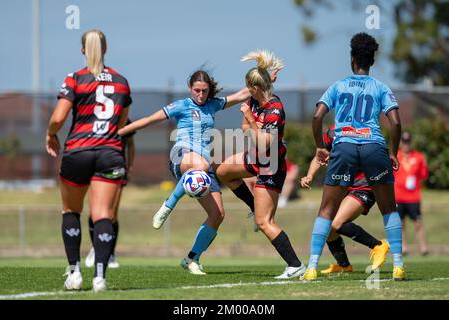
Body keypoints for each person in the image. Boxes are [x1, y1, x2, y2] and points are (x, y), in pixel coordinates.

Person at [118, 67, 280, 275]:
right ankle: (168, 206)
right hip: (182, 157)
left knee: (218, 214)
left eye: (204, 91)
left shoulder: (212, 105)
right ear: (190, 88)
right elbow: (149, 120)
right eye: (197, 90)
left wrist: (265, 80)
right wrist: (119, 132)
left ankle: (191, 259)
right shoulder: (181, 105)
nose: (201, 95)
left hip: (202, 165)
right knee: (203, 165)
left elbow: (242, 94)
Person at [300, 32, 405, 281]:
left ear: (351, 59)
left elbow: (317, 117)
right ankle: (399, 267)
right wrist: (394, 152)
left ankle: (312, 268)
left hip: (344, 146)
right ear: (372, 61)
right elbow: (396, 123)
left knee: (326, 210)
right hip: (373, 147)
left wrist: (320, 146)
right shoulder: (380, 87)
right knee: (389, 209)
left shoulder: (339, 85)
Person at [46, 29, 132, 292]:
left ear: (83, 50)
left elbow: (59, 118)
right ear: (105, 49)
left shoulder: (75, 79)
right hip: (110, 152)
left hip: (78, 151)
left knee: (71, 211)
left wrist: (50, 134)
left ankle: (74, 273)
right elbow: (121, 123)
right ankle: (100, 278)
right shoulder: (121, 81)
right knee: (103, 214)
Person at [216, 50, 306, 279]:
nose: (247, 91)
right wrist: (251, 122)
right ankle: (252, 205)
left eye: (249, 87)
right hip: (255, 158)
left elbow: (265, 144)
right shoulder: (254, 101)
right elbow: (245, 129)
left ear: (257, 88)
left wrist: (251, 120)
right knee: (224, 171)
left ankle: (295, 265)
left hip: (271, 165)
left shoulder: (274, 111)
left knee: (264, 222)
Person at [300, 124, 389, 274]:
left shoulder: (366, 130)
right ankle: (344, 265)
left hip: (364, 185)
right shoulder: (332, 131)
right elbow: (319, 156)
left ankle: (378, 245)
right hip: (344, 187)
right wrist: (310, 175)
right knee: (327, 228)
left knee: (336, 223)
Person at [85, 119, 136, 269]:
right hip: (94, 168)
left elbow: (131, 145)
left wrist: (130, 167)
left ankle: (110, 253)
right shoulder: (92, 118)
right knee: (94, 212)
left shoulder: (124, 120)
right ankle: (96, 248)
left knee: (111, 214)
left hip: (116, 169)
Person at [394, 131, 429, 256]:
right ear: (400, 143)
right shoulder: (395, 156)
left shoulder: (418, 157)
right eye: (404, 142)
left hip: (413, 196)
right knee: (401, 223)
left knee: (418, 222)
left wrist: (425, 164)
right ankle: (404, 247)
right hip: (399, 196)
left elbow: (424, 175)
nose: (406, 145)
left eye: (408, 142)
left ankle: (423, 247)